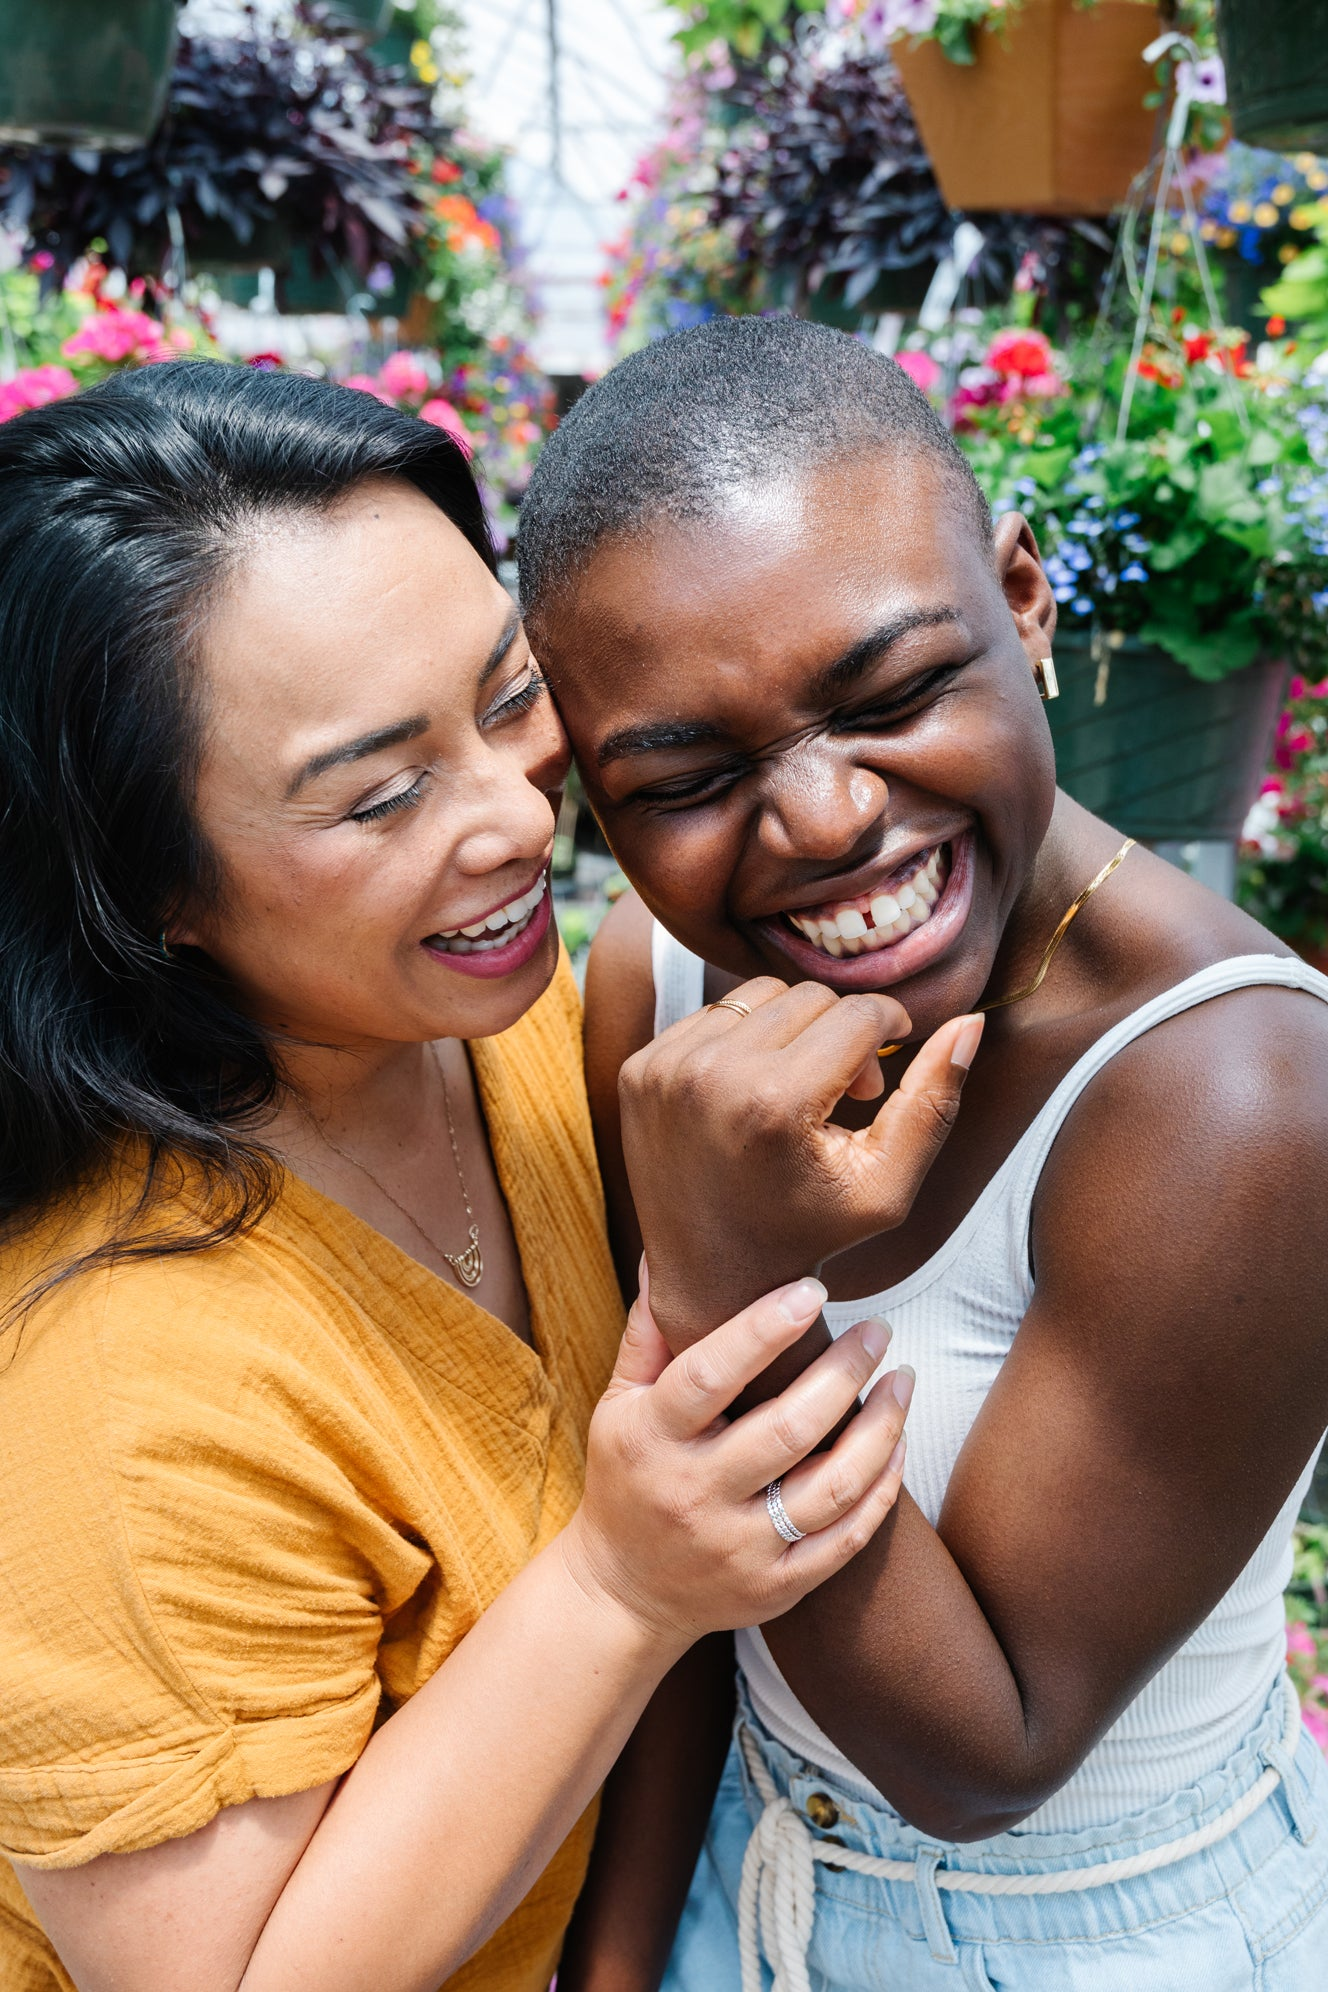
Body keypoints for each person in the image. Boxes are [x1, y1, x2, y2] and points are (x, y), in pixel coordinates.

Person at [0, 359, 941, 1992]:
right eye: (379, 794)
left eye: (508, 700)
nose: (515, 813)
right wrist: (618, 1582)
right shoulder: (116, 1399)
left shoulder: (473, 1017)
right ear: (146, 883)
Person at [518, 315, 1328, 1990]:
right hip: (745, 1871)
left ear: (1025, 600)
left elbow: (986, 1751)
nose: (822, 822)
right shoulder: (653, 984)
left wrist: (728, 1274)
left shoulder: (1247, 1093)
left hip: (1102, 1933)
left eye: (891, 693)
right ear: (595, 797)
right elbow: (681, 1582)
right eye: (685, 774)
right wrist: (617, 1963)